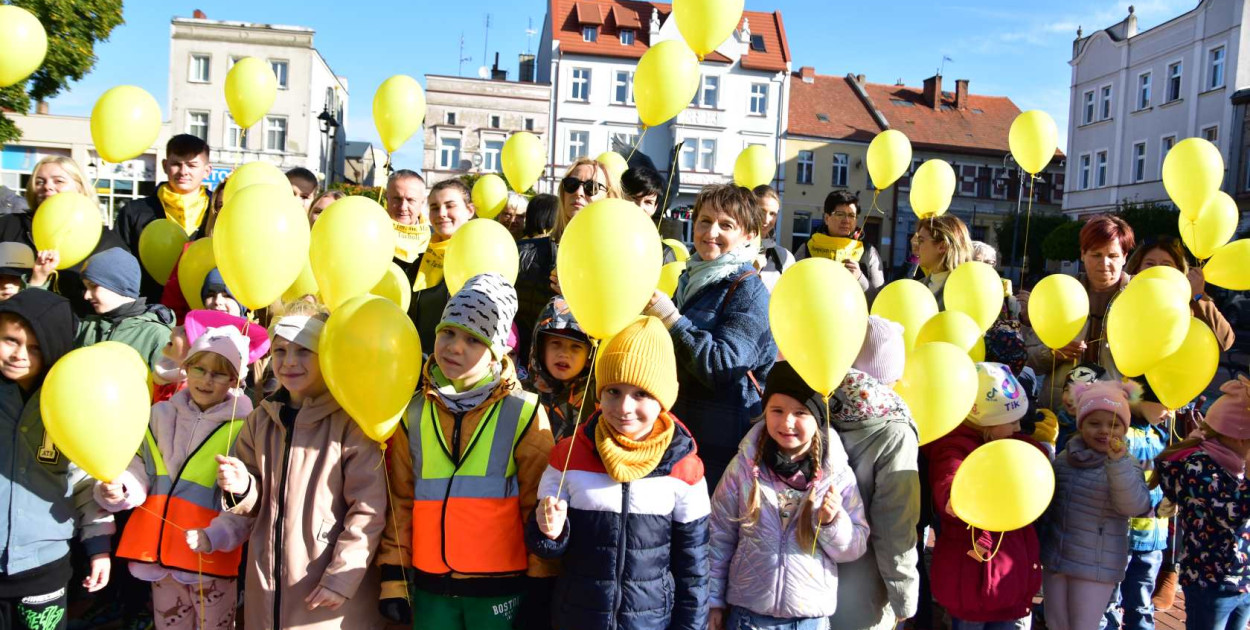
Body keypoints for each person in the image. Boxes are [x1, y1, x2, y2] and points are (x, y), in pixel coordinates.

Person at [377, 273, 554, 629]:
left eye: (473, 339)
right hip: (430, 588)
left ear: (496, 353)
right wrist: (394, 578)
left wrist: (541, 585)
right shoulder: (414, 411)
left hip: (499, 591)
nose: (454, 347)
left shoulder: (524, 412)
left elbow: (537, 505)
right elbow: (401, 499)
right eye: (448, 332)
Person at [527, 315, 710, 630]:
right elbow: (546, 547)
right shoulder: (568, 455)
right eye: (613, 391)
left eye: (640, 394)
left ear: (663, 399)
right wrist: (548, 531)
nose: (624, 407)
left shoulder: (684, 468)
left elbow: (694, 568)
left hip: (651, 622)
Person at [215, 301, 388, 629]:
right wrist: (243, 488)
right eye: (280, 351)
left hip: (328, 593)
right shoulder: (260, 420)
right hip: (267, 590)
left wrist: (341, 579)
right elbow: (257, 502)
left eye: (304, 351)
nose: (290, 362)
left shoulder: (351, 423)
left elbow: (368, 510)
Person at [94, 326, 254, 630]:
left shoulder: (245, 427)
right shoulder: (159, 415)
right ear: (186, 368)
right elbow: (141, 466)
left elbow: (246, 502)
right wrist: (122, 488)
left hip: (210, 558)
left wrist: (216, 535)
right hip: (160, 557)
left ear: (235, 380)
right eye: (199, 368)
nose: (206, 380)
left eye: (219, 374)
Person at [708, 360, 869, 629]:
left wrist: (831, 523)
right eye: (777, 410)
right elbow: (718, 535)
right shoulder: (744, 467)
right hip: (749, 617)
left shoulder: (836, 474)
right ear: (765, 411)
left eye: (801, 412)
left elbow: (854, 546)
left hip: (809, 620)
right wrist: (714, 601)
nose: (787, 422)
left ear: (817, 418)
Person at [643, 184, 777, 488]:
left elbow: (722, 365)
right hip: (682, 437)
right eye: (704, 221)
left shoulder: (747, 290)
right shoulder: (692, 276)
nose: (710, 232)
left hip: (723, 451)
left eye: (726, 225)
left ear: (747, 235)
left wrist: (671, 318)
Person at [0, 290, 114, 627]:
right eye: (9, 340)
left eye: (35, 348)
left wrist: (98, 546)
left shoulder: (71, 401)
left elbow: (86, 478)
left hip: (43, 567)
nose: (20, 355)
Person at [926, 363, 1044, 629]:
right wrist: (952, 497)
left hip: (1005, 569)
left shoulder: (1007, 443)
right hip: (971, 571)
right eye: (1011, 422)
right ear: (987, 423)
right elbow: (949, 474)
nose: (1017, 427)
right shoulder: (956, 446)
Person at [830, 317, 920, 630]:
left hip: (811, 576)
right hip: (865, 586)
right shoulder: (894, 430)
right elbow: (895, 524)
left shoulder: (815, 406)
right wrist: (904, 595)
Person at [1041, 380, 1153, 630]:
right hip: (1057, 558)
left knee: (1084, 626)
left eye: (1113, 424)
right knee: (1056, 624)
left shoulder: (1127, 463)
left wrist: (1118, 465)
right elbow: (1050, 506)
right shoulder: (1065, 458)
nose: (1104, 431)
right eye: (1094, 423)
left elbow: (1133, 505)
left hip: (1095, 566)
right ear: (1081, 425)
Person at [1154, 375, 1250, 630]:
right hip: (1211, 582)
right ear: (1239, 438)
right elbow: (1231, 515)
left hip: (1243, 581)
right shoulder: (1198, 466)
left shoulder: (1236, 466)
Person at [1025, 215, 1136, 409]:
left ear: (1125, 256)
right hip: (1060, 410)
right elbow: (1029, 358)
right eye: (1096, 255)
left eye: (1113, 256)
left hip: (1116, 413)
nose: (1105, 263)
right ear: (1083, 254)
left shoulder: (1138, 297)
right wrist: (1052, 353)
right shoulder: (1060, 293)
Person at [515, 158, 617, 360]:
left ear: (610, 196)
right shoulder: (526, 252)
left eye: (592, 187)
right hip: (529, 372)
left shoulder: (620, 259)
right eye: (571, 184)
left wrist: (578, 297)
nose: (579, 192)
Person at [0, 156, 127, 316]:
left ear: (80, 187)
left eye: (58, 181)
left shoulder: (105, 240)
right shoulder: (8, 226)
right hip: (14, 327)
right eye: (39, 182)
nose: (47, 187)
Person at [1100, 379, 1170, 630]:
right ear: (1142, 398)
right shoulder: (1121, 432)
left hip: (1153, 536)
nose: (1170, 412)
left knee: (1142, 602)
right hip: (1121, 536)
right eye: (1165, 404)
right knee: (1108, 601)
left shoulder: (1160, 433)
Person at [113, 134, 214, 302]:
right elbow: (120, 261)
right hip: (148, 308)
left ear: (207, 170)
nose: (183, 171)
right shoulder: (134, 212)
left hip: (204, 308)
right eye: (176, 164)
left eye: (192, 165)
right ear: (165, 165)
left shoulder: (219, 211)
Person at [1125, 236, 1234, 350]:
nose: (1158, 269)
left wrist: (1198, 296)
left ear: (1179, 270)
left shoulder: (1191, 299)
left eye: (1166, 265)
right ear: (1137, 269)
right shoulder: (1124, 297)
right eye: (1150, 264)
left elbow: (1224, 342)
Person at [74, 248, 175, 370]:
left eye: (93, 286)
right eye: (85, 288)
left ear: (118, 284)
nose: (86, 296)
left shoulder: (156, 336)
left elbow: (167, 386)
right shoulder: (86, 327)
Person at [408, 179, 476, 352]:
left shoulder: (480, 255)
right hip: (419, 363)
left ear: (469, 210)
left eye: (450, 205)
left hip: (461, 364)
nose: (441, 213)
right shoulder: (419, 257)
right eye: (435, 207)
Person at [526, 295, 592, 441]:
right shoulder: (519, 394)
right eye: (556, 343)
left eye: (576, 347)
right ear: (541, 350)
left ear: (589, 358)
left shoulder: (597, 401)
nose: (564, 354)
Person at [795, 190, 885, 294]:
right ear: (827, 218)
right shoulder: (808, 248)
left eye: (851, 215)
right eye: (840, 214)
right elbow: (791, 287)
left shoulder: (868, 252)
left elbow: (879, 299)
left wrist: (860, 278)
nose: (846, 220)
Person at [909, 214, 973, 307]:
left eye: (921, 241)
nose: (915, 246)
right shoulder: (916, 288)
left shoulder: (965, 291)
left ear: (942, 246)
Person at [1054, 362, 1109, 454]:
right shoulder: (1055, 422)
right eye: (1067, 390)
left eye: (1079, 393)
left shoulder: (1099, 433)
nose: (1070, 398)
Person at [385, 169, 430, 281]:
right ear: (387, 198)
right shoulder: (370, 233)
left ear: (422, 202)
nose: (403, 207)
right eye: (397, 199)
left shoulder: (435, 239)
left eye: (411, 200)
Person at [752, 185, 795, 293]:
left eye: (772, 214)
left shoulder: (784, 257)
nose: (766, 220)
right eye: (761, 212)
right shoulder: (730, 250)